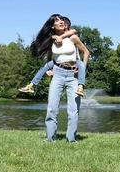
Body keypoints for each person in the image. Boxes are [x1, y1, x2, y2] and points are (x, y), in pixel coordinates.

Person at [30, 14, 89, 142]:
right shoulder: (51, 40)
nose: (61, 21)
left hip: (73, 75)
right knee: (52, 108)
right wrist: (49, 70)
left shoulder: (73, 37)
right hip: (57, 73)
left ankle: (71, 139)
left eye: (62, 20)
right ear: (53, 25)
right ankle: (50, 139)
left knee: (73, 110)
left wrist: (82, 69)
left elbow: (86, 51)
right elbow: (50, 58)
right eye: (57, 21)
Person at [19, 16, 86, 96]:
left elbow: (74, 31)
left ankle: (81, 86)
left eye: (63, 22)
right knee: (45, 66)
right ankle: (32, 85)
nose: (62, 23)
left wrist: (60, 37)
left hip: (74, 62)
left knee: (81, 65)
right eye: (59, 21)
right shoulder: (53, 39)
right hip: (58, 64)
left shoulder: (72, 36)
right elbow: (50, 55)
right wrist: (49, 70)